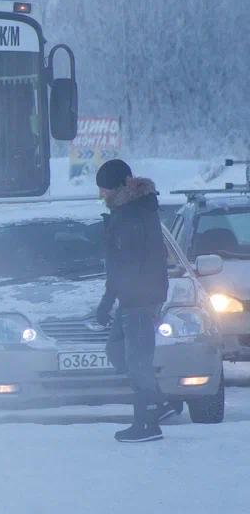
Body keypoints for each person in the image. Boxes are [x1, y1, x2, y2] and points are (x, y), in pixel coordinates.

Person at [95, 159, 169, 443]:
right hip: (136, 295)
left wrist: (107, 300)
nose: (101, 195)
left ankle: (147, 423)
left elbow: (125, 265)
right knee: (116, 350)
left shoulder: (130, 217)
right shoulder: (131, 211)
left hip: (139, 297)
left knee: (138, 362)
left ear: (116, 187)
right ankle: (159, 402)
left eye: (103, 189)